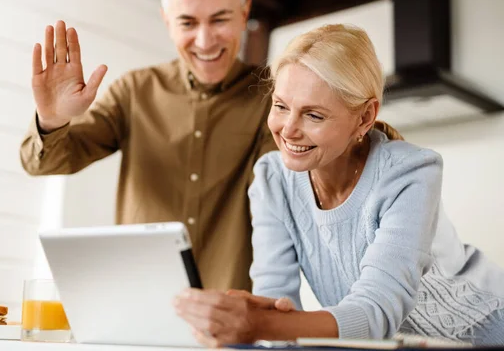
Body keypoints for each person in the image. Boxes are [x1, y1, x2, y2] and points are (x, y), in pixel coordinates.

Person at [174, 24, 504, 347]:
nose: (288, 130)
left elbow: (377, 310)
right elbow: (275, 305)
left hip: (488, 330)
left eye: (313, 115)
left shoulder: (411, 172)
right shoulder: (273, 180)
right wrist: (241, 334)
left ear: (363, 118)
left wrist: (257, 323)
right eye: (280, 106)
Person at [19, 0, 276, 291]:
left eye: (219, 19)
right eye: (187, 22)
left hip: (233, 316)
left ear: (244, 14)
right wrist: (52, 120)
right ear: (167, 21)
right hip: (140, 303)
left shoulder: (276, 97)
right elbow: (42, 163)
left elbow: (288, 196)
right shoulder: (134, 91)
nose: (204, 40)